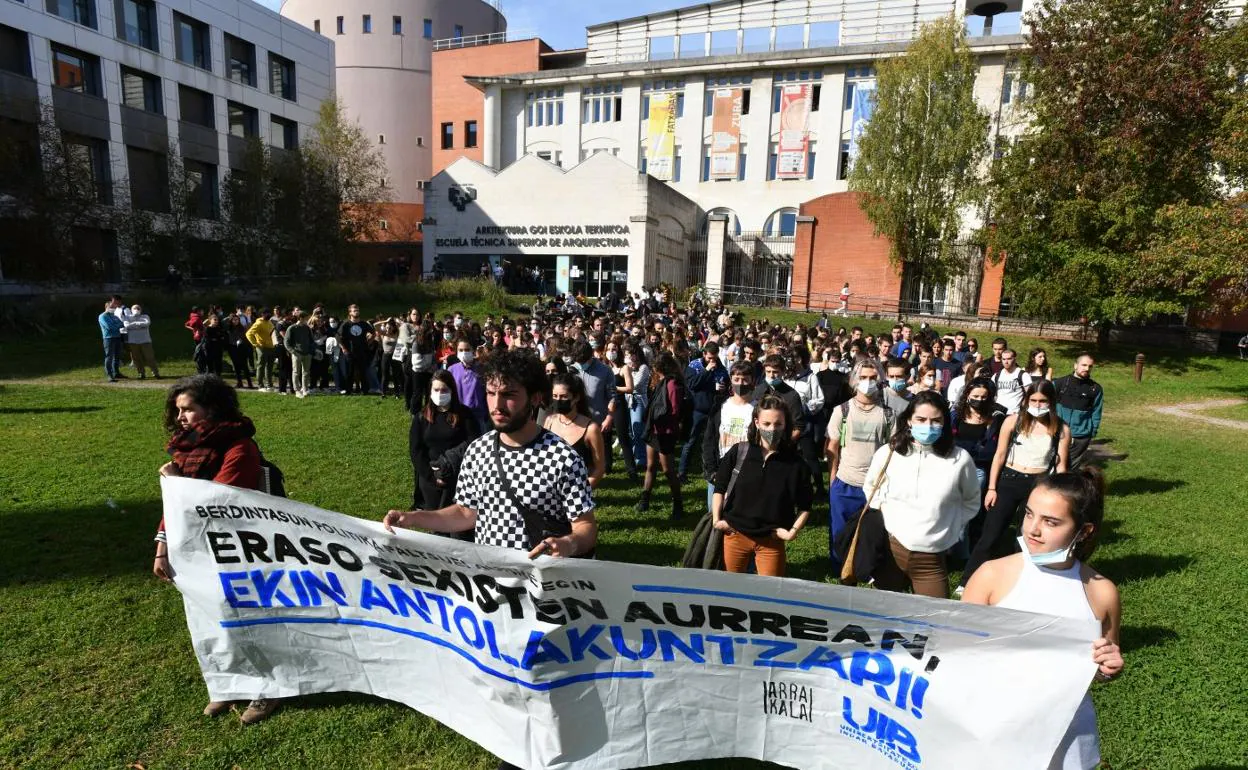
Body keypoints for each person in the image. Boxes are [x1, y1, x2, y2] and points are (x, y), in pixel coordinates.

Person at [962, 469, 1123, 770]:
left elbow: (1101, 664)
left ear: (1084, 530)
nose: (1033, 530)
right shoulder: (992, 575)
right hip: (993, 729)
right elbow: (956, 653)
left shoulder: (1101, 592)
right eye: (1029, 514)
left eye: (1051, 522)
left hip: (1063, 736)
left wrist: (1108, 668)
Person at [151, 374, 280, 726]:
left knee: (248, 617)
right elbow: (174, 506)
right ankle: (227, 681)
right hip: (197, 548)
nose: (181, 417)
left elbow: (218, 501)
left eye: (188, 409)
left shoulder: (239, 446)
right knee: (210, 616)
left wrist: (178, 482)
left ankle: (268, 688)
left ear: (212, 409)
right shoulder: (185, 447)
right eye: (178, 410)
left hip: (240, 547)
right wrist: (162, 546)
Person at [861, 391, 981, 598]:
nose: (928, 426)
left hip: (931, 558)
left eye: (936, 420)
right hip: (891, 550)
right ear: (909, 420)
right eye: (921, 419)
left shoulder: (960, 459)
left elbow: (971, 501)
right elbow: (871, 488)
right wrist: (888, 516)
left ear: (944, 422)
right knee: (883, 615)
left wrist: (950, 526)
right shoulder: (889, 453)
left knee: (933, 622)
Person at [960, 379, 1072, 592]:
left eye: (1043, 401)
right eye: (1033, 400)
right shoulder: (1014, 422)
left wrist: (1061, 497)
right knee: (990, 534)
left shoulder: (1061, 429)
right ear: (1026, 400)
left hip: (1039, 483)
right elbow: (999, 455)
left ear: (1051, 402)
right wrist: (992, 488)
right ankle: (967, 580)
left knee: (1025, 536)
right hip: (1009, 480)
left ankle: (1020, 581)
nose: (1038, 405)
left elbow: (1061, 465)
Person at [711, 396, 812, 577]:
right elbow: (719, 487)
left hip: (770, 540)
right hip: (735, 534)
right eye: (766, 424)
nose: (772, 429)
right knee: (730, 590)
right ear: (757, 423)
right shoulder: (739, 452)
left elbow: (805, 506)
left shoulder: (796, 464)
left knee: (770, 595)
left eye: (778, 424)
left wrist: (792, 532)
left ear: (785, 424)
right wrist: (717, 520)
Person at [825, 359, 905, 568]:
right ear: (854, 380)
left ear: (880, 381)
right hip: (845, 482)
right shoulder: (841, 411)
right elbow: (832, 447)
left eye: (872, 378)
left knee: (871, 531)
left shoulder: (888, 415)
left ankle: (866, 567)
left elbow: (892, 451)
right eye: (863, 378)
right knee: (839, 529)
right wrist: (832, 478)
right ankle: (839, 566)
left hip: (875, 486)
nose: (867, 382)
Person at [410, 371, 482, 528]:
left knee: (458, 527)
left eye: (444, 390)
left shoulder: (464, 415)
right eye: (436, 390)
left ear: (452, 391)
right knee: (436, 526)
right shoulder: (421, 417)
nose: (440, 394)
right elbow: (416, 451)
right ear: (430, 392)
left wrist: (452, 465)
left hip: (458, 480)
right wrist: (432, 477)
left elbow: (474, 443)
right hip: (431, 481)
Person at [638, 352, 685, 519]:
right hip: (654, 430)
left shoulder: (672, 384)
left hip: (665, 432)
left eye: (654, 367)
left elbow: (674, 409)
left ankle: (678, 503)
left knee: (668, 470)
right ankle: (644, 499)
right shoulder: (660, 381)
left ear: (660, 367)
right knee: (650, 466)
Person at [544, 374, 607, 488]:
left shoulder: (590, 429)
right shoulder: (549, 421)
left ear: (576, 397)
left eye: (564, 396)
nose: (558, 400)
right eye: (555, 396)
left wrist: (581, 491)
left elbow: (599, 468)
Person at [680, 341, 728, 482]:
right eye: (709, 358)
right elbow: (692, 384)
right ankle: (682, 473)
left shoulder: (721, 368)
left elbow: (726, 382)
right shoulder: (694, 366)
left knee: (712, 442)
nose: (712, 361)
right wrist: (706, 370)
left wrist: (723, 388)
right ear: (704, 354)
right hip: (697, 409)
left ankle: (710, 470)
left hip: (714, 410)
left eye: (715, 358)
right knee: (691, 441)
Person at [1053, 354, 1104, 470]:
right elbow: (1047, 405)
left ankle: (1068, 487)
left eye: (1090, 366)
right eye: (1084, 365)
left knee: (1071, 468)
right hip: (1058, 433)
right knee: (1054, 464)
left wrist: (1092, 431)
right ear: (1075, 365)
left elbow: (1097, 411)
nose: (1087, 368)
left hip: (1081, 436)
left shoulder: (1095, 389)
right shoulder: (1060, 383)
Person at [448, 336, 487, 426]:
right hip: (458, 415)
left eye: (467, 349)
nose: (464, 353)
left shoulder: (481, 369)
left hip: (478, 416)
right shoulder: (452, 370)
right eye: (460, 350)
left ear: (473, 350)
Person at [338, 304, 374, 395]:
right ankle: (348, 391)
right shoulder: (346, 324)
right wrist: (343, 348)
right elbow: (338, 337)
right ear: (350, 312)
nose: (356, 312)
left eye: (357, 310)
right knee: (350, 372)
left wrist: (369, 341)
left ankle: (365, 390)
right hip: (350, 352)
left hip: (362, 351)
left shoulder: (363, 323)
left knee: (363, 372)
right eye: (354, 310)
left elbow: (373, 333)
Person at [284, 309, 314, 398]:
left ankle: (305, 389)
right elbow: (286, 342)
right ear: (300, 318)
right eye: (305, 319)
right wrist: (293, 352)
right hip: (296, 353)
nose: (307, 320)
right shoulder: (292, 328)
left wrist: (311, 351)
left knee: (306, 372)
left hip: (307, 353)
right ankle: (297, 390)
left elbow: (311, 340)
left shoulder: (307, 328)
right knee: (296, 372)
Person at [245, 310, 277, 392]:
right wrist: (255, 344)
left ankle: (269, 385)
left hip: (271, 347)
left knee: (269, 367)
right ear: (262, 314)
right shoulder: (258, 323)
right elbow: (248, 334)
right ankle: (260, 385)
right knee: (261, 366)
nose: (269, 314)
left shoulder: (269, 322)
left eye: (269, 313)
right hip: (262, 348)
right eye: (267, 313)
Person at [992, 348, 1031, 414]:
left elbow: (1030, 395)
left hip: (1014, 413)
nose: (1006, 362)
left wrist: (1023, 408)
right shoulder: (996, 376)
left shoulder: (1023, 375)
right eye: (1004, 359)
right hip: (997, 413)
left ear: (1014, 359)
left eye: (1009, 359)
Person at [99, 299, 125, 382]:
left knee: (117, 356)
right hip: (108, 338)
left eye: (114, 307)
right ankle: (109, 375)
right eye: (111, 307)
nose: (113, 308)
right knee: (109, 357)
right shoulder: (102, 316)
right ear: (106, 307)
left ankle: (116, 373)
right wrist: (116, 325)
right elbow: (109, 327)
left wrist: (116, 325)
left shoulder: (114, 316)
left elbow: (122, 324)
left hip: (117, 337)